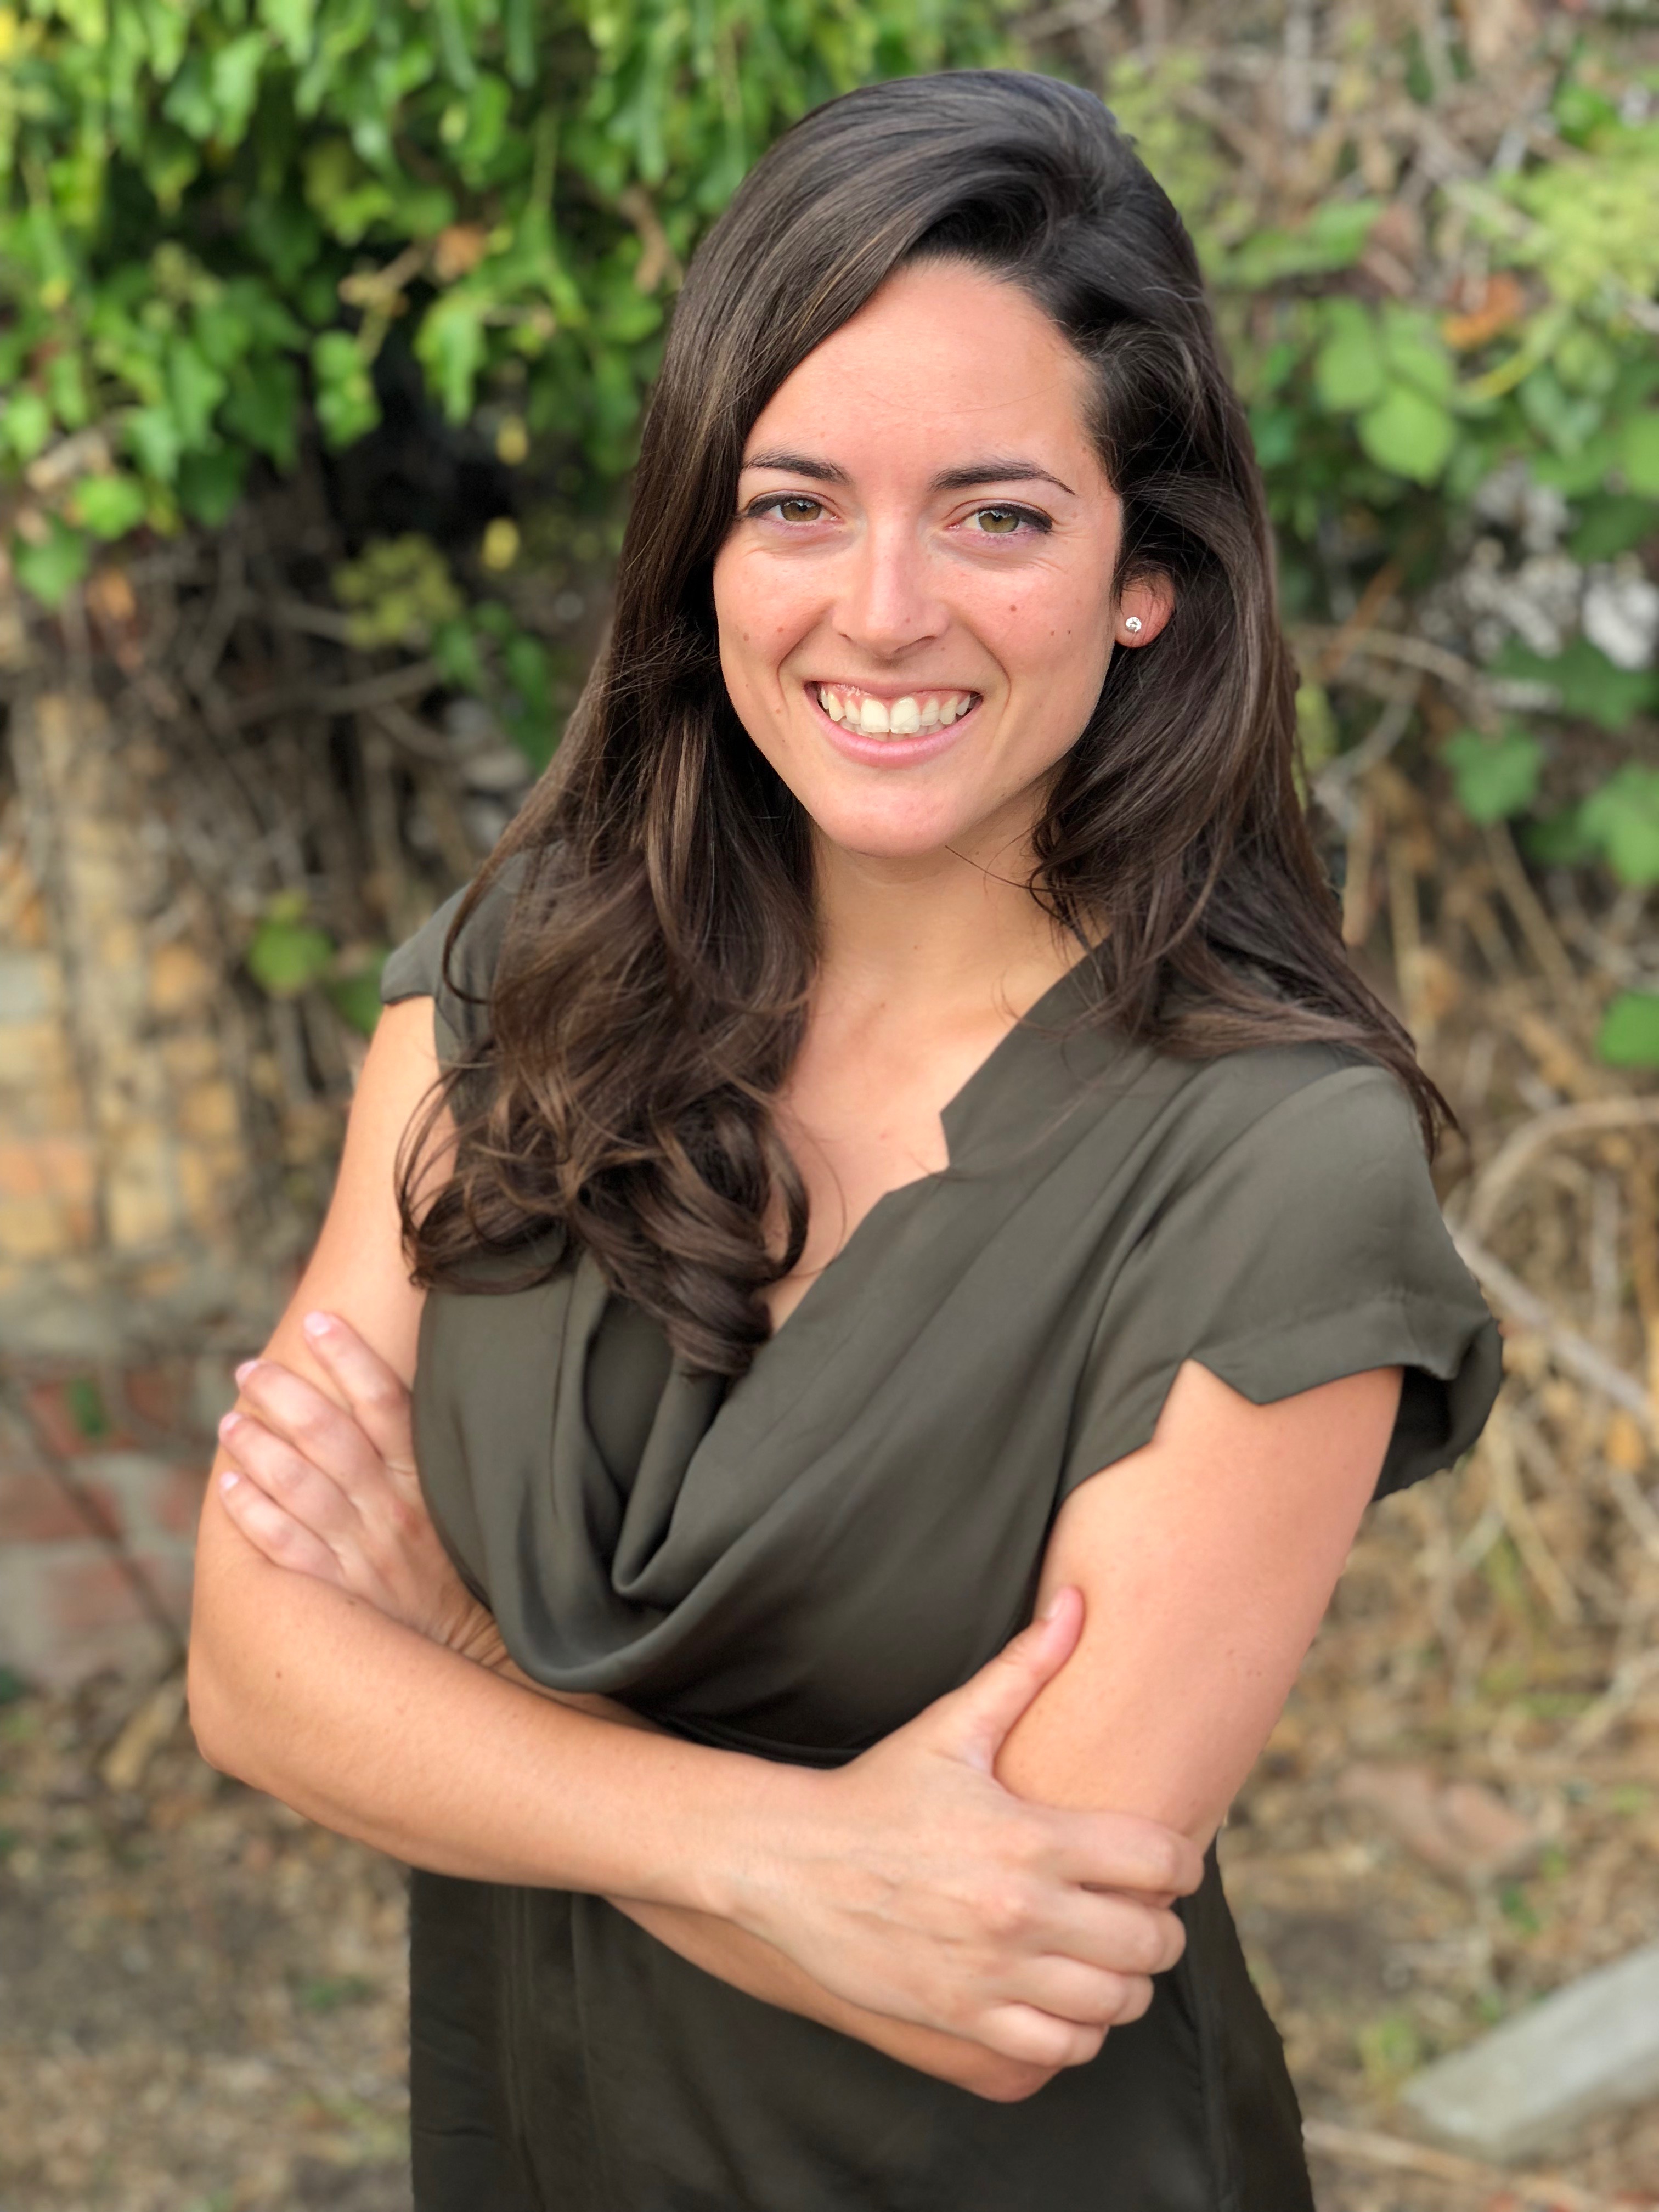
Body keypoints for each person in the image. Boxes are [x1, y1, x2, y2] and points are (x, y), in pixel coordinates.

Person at [188, 69, 1503, 2212]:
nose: (881, 611)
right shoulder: (512, 996)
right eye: (796, 504)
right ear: (706, 547)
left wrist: (451, 1673)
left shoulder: (1276, 1171)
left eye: (996, 514)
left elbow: (997, 1973)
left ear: (1144, 574)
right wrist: (777, 1845)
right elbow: (254, 1673)